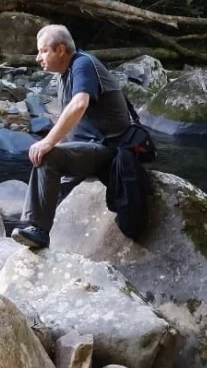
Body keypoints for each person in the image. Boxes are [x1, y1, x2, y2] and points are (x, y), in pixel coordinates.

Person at [11, 24, 132, 250]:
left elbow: (79, 104)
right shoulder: (64, 75)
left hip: (110, 150)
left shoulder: (83, 64)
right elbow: (72, 125)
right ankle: (44, 236)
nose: (38, 58)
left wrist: (48, 142)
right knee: (55, 177)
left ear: (60, 49)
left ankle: (37, 229)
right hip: (89, 149)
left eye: (43, 51)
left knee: (47, 156)